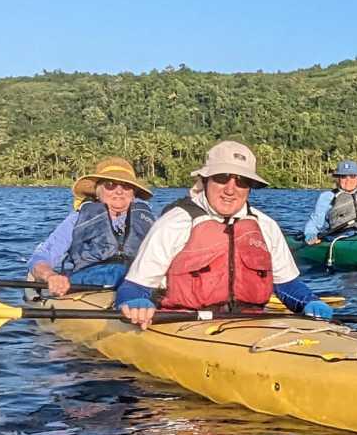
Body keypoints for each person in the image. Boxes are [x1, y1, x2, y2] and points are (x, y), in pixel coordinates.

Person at [117, 139, 336, 328]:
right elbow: (134, 286)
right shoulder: (174, 223)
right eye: (222, 178)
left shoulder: (266, 226)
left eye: (241, 181)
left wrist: (309, 301)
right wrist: (135, 301)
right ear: (205, 180)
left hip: (251, 324)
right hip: (182, 323)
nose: (231, 189)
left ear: (250, 187)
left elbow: (286, 284)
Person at [27, 157, 158, 296]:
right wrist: (50, 276)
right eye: (110, 185)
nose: (119, 191)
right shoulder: (77, 219)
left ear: (133, 193)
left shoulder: (152, 220)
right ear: (97, 191)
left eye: (126, 186)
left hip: (138, 283)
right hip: (88, 283)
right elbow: (43, 255)